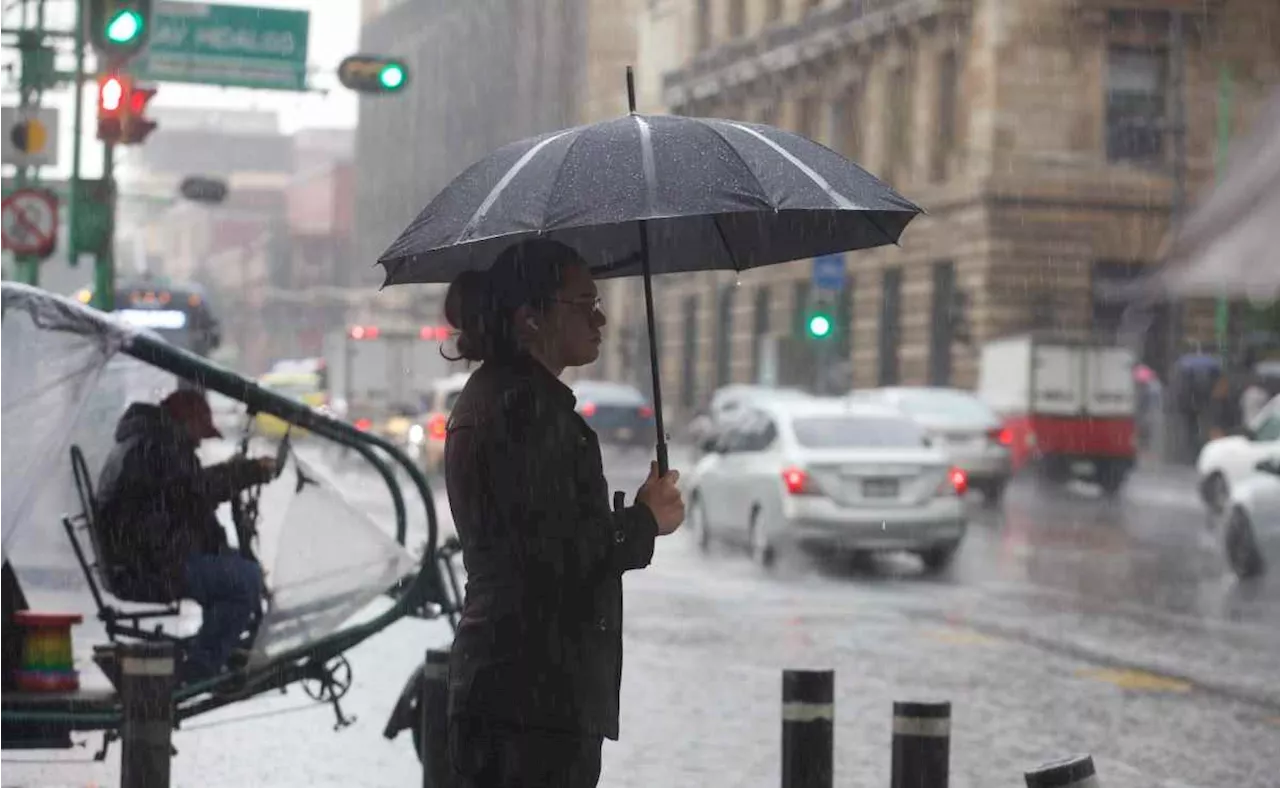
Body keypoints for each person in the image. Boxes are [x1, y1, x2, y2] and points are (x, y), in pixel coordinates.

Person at [442, 238, 686, 788]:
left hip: (511, 689)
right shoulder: (526, 413)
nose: (600, 318)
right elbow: (561, 556)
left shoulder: (502, 398)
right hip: (536, 701)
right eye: (583, 303)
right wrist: (647, 519)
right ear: (531, 319)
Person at [95, 389, 278, 683]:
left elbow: (187, 500)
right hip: (150, 566)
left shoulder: (149, 443)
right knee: (244, 581)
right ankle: (202, 668)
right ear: (183, 422)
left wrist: (225, 552)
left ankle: (212, 652)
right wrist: (246, 473)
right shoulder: (158, 449)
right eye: (198, 434)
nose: (198, 442)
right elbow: (195, 491)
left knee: (240, 570)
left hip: (147, 558)